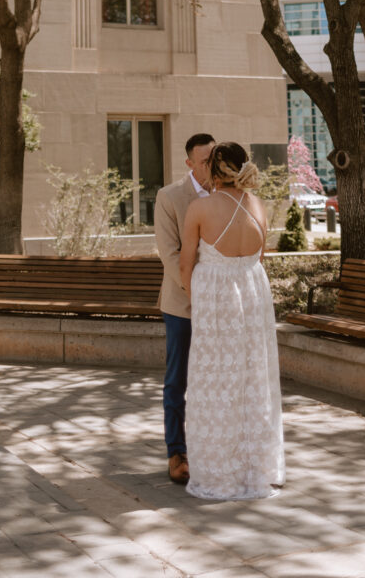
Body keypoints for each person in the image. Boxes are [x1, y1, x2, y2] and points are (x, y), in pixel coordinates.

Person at [180, 141, 285, 500]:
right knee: (252, 378)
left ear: (213, 169)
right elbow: (261, 255)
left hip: (215, 299)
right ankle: (253, 468)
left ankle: (218, 470)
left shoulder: (200, 207)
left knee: (214, 383)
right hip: (253, 295)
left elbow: (185, 263)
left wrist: (196, 302)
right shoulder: (258, 204)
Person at [154, 132, 215, 485]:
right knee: (177, 380)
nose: (210, 165)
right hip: (183, 304)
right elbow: (171, 255)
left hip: (220, 306)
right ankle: (176, 451)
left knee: (215, 378)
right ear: (190, 163)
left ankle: (210, 448)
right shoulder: (170, 196)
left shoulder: (227, 195)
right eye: (204, 160)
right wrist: (202, 294)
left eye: (214, 157)